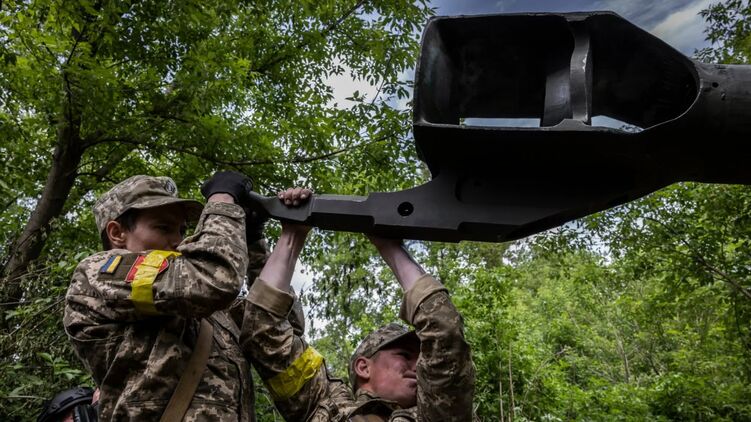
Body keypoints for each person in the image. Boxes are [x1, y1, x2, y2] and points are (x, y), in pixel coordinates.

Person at [63, 172, 281, 421]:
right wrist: (222, 199)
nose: (178, 240)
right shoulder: (98, 274)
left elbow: (273, 327)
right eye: (163, 227)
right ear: (117, 233)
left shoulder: (203, 306)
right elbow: (216, 279)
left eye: (181, 230)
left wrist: (254, 241)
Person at [244, 188, 475, 421]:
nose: (418, 365)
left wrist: (390, 248)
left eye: (420, 357)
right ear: (363, 367)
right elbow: (265, 332)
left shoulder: (437, 411)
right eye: (405, 355)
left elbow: (444, 331)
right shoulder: (324, 406)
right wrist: (292, 235)